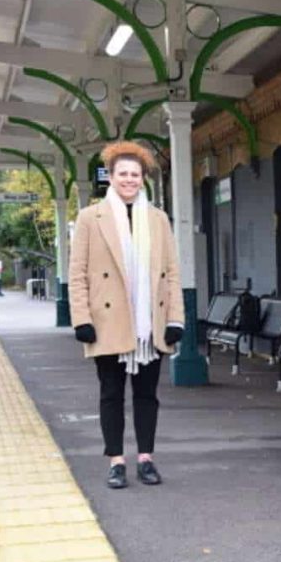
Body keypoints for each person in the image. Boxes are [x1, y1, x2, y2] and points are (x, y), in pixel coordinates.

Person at [69, 141, 184, 489]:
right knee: (111, 394)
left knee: (147, 395)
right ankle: (116, 462)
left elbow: (172, 272)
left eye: (135, 174)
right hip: (107, 322)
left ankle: (146, 459)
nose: (129, 180)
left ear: (143, 178)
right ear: (111, 177)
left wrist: (176, 318)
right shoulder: (91, 217)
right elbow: (77, 272)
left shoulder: (158, 218)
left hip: (150, 324)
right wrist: (81, 319)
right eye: (123, 174)